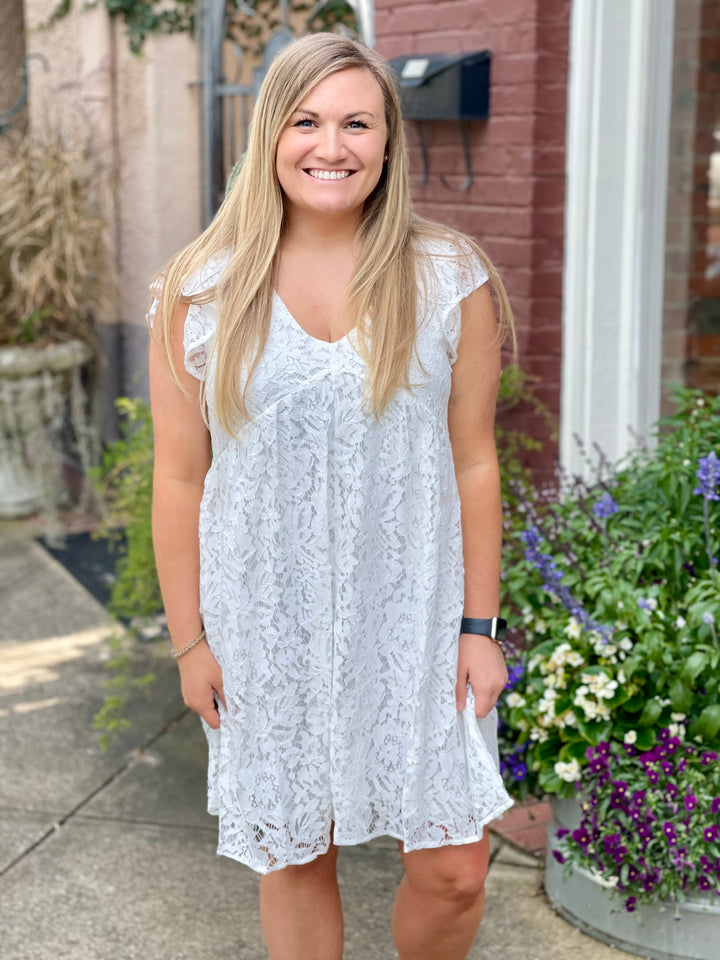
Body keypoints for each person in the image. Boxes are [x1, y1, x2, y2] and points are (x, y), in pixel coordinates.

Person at [149, 32, 515, 960]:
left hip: (417, 620)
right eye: (307, 121)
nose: (332, 145)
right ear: (272, 134)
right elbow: (180, 477)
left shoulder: (448, 279)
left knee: (455, 869)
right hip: (265, 622)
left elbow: (475, 460)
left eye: (357, 122)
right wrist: (189, 639)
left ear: (389, 142)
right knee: (297, 855)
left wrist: (480, 629)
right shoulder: (202, 290)